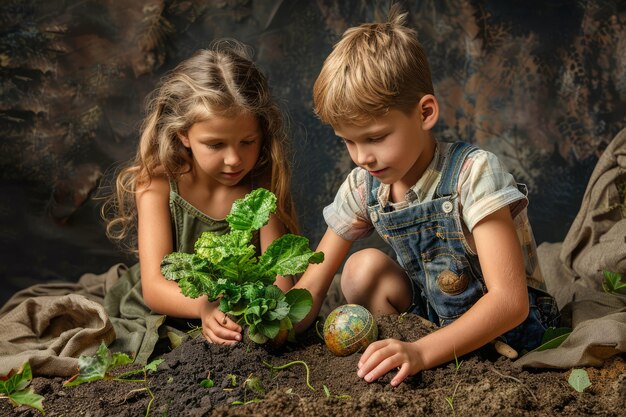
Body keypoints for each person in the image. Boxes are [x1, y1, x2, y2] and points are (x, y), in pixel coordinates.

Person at [293, 6, 559, 386]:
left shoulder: (473, 173)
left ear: (425, 112)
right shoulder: (364, 184)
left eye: (376, 137)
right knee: (360, 269)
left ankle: (426, 356)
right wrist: (270, 326)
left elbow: (510, 303)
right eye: (348, 141)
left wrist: (420, 352)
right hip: (429, 327)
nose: (362, 156)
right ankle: (412, 360)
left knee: (506, 323)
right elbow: (313, 286)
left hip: (511, 334)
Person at [103, 40, 298, 346]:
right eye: (216, 144)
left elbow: (281, 283)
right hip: (173, 306)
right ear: (184, 135)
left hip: (242, 313)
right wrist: (204, 306)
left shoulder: (261, 183)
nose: (234, 159)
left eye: (247, 142)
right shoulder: (158, 183)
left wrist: (253, 312)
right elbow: (155, 287)